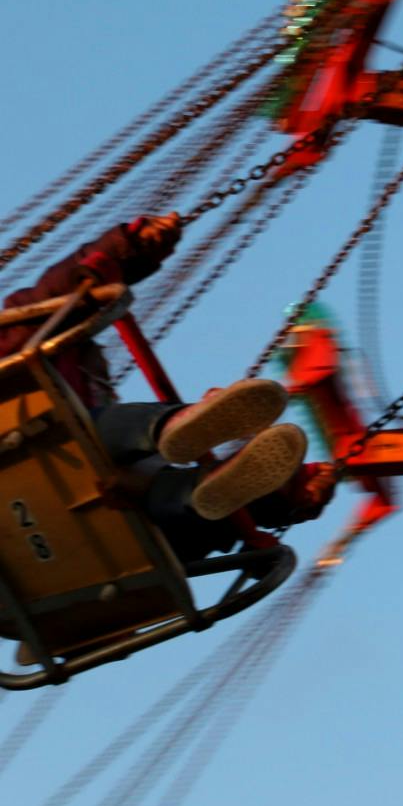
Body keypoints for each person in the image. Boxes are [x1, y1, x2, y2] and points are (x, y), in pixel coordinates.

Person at [0, 213, 309, 561]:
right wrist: (124, 249)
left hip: (90, 501)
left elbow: (49, 300)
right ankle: (176, 433)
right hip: (49, 450)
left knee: (158, 481)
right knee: (101, 433)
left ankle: (221, 487)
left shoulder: (78, 372)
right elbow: (44, 302)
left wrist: (289, 497)